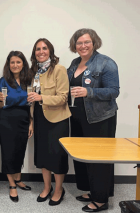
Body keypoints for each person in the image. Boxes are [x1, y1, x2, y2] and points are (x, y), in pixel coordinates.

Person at [67, 28, 119, 212]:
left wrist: (89, 92)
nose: (83, 46)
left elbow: (114, 91)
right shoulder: (74, 63)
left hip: (100, 119)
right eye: (79, 43)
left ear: (94, 42)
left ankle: (101, 200)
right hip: (78, 117)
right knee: (84, 158)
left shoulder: (106, 62)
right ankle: (93, 191)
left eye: (86, 42)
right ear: (75, 45)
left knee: (99, 160)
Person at [28, 38, 71, 206]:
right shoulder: (33, 72)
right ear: (34, 53)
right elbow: (31, 99)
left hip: (58, 119)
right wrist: (31, 121)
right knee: (43, 155)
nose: (41, 51)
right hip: (39, 117)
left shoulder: (59, 70)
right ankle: (47, 187)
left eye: (44, 48)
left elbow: (63, 98)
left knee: (57, 156)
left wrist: (41, 97)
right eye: (37, 49)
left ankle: (59, 189)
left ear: (50, 51)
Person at [0, 51, 34, 202]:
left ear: (23, 64)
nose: (15, 65)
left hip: (24, 119)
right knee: (8, 151)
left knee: (20, 150)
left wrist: (31, 123)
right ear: (8, 64)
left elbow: (31, 103)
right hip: (6, 120)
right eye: (12, 62)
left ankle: (18, 179)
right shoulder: (3, 80)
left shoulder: (28, 80)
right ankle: (11, 184)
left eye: (18, 62)